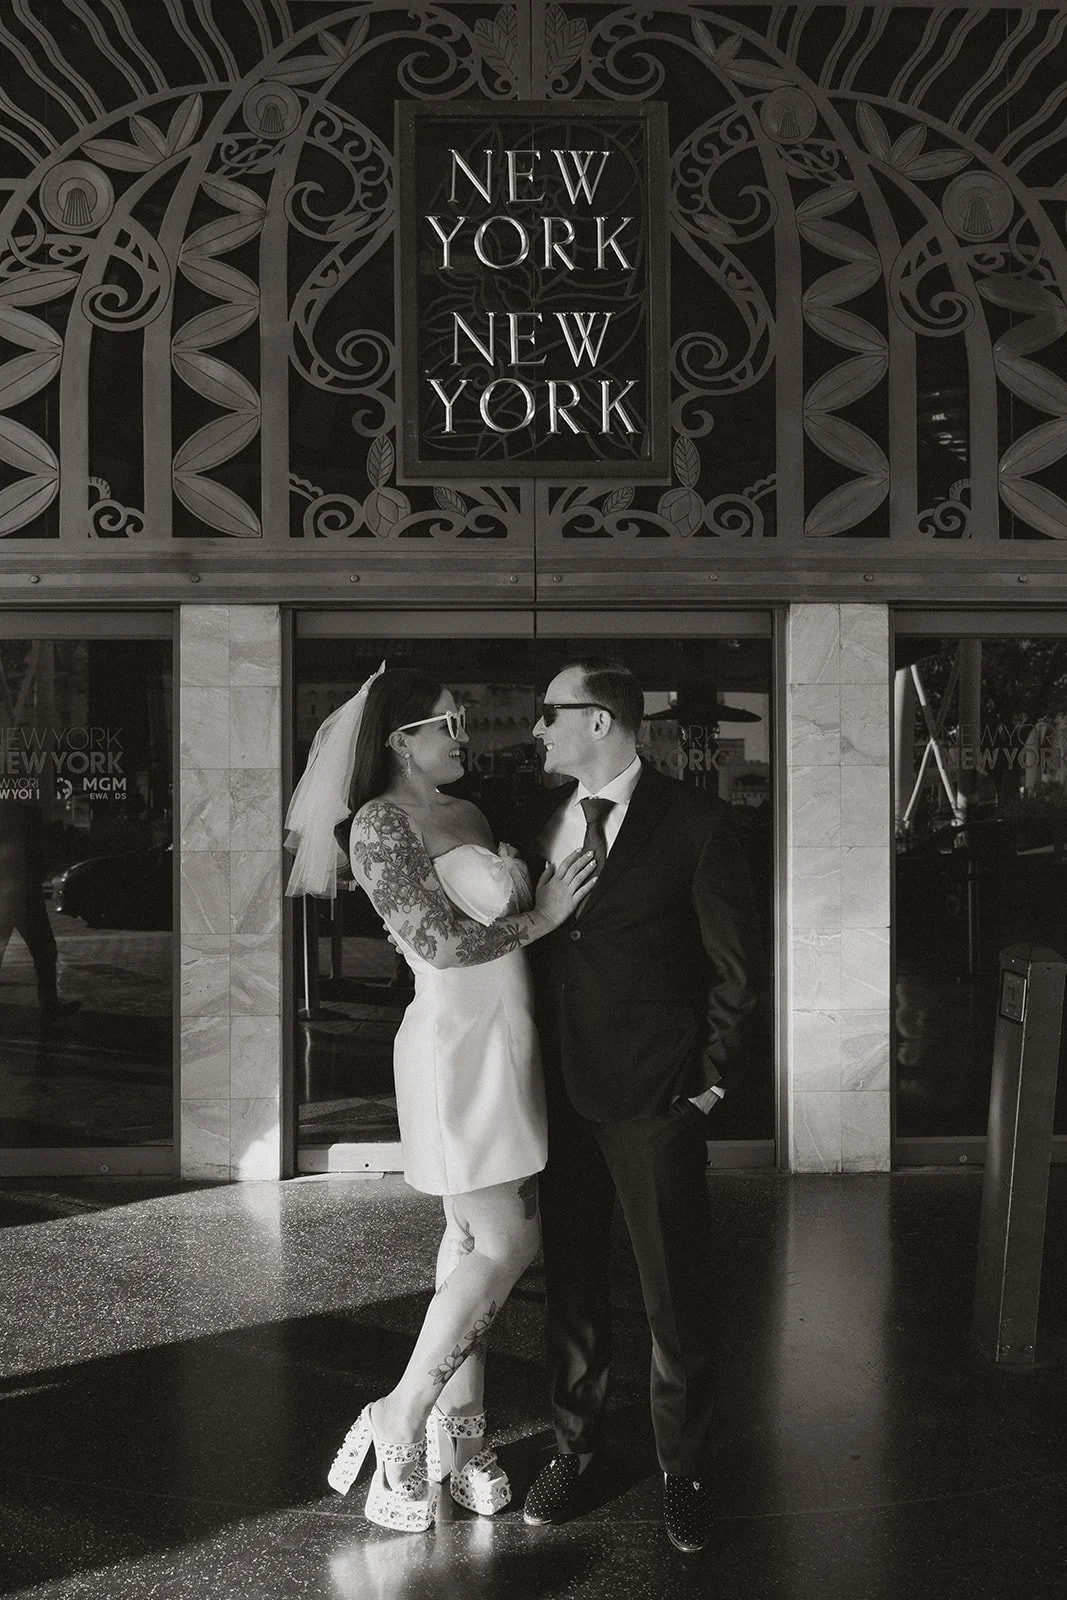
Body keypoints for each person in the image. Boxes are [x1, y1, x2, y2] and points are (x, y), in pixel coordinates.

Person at [284, 665, 596, 1534]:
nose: (463, 736)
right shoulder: (378, 826)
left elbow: (491, 926)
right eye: (447, 724)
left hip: (511, 1037)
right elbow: (438, 941)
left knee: (467, 1238)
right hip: (456, 1048)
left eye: (460, 721)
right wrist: (544, 915)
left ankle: (463, 1440)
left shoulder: (469, 815)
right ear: (401, 742)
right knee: (510, 1239)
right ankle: (401, 1412)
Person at [519, 658, 762, 1554]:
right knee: (572, 1289)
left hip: (657, 1095)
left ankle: (685, 1470)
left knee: (674, 1295)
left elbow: (736, 970)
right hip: (558, 1094)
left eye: (551, 713)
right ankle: (574, 1449)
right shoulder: (537, 818)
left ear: (601, 721)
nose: (536, 729)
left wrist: (709, 1081)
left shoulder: (696, 824)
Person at [0, 798, 78, 1025]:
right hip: (23, 897)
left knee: (42, 950)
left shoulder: (17, 815)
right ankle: (50, 1005)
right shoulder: (27, 817)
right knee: (44, 951)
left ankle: (51, 1005)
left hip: (12, 895)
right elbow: (38, 858)